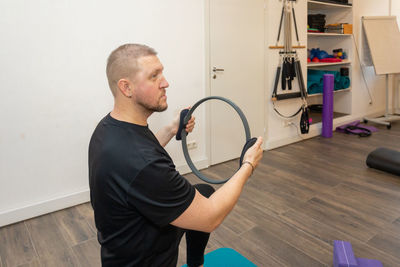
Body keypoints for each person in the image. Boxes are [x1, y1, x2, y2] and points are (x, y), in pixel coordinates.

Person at [89, 43, 263, 267]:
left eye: (162, 73)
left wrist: (172, 129)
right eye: (154, 76)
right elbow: (211, 217)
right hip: (146, 259)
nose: (165, 82)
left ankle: (195, 264)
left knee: (204, 191)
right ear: (127, 87)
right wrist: (247, 165)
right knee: (206, 207)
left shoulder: (109, 129)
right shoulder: (143, 164)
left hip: (128, 240)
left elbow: (142, 158)